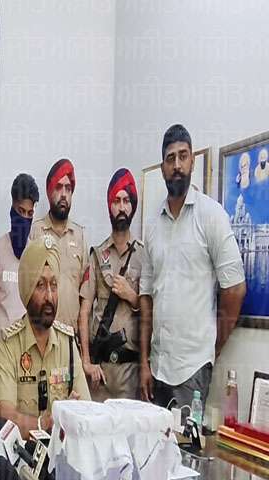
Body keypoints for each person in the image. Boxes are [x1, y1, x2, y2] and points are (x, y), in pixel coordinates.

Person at [140, 124, 246, 411]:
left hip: (192, 369)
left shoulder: (211, 215)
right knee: (153, 439)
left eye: (183, 156)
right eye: (170, 158)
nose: (177, 165)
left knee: (187, 440)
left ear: (192, 162)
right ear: (162, 167)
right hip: (157, 367)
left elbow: (235, 288)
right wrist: (144, 363)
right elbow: (146, 295)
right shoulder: (153, 225)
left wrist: (214, 346)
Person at [0, 236, 90, 440]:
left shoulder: (68, 342)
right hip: (23, 453)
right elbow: (5, 417)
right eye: (40, 285)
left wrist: (73, 413)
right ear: (27, 291)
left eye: (53, 285)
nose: (49, 297)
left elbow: (85, 409)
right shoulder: (9, 343)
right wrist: (43, 424)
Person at [79, 168, 143, 401]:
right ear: (110, 206)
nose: (122, 207)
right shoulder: (98, 255)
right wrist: (86, 361)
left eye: (126, 201)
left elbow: (151, 312)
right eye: (116, 201)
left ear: (132, 206)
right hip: (101, 371)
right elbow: (84, 311)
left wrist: (131, 295)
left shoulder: (144, 255)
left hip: (130, 372)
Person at [29, 159, 88, 330]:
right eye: (58, 187)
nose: (63, 194)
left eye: (68, 189)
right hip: (42, 333)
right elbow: (27, 287)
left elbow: (85, 296)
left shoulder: (80, 236)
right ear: (49, 192)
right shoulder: (35, 232)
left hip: (71, 336)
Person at [0, 173, 39, 350]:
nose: (25, 218)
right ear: (12, 211)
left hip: (26, 352)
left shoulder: (35, 255)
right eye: (20, 211)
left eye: (29, 213)